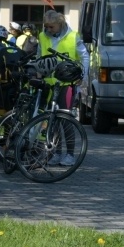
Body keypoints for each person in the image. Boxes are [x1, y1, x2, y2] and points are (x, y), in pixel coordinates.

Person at [38, 10, 90, 166]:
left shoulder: (74, 37)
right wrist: (39, 71)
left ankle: (69, 154)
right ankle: (56, 152)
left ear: (60, 24)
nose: (48, 29)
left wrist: (83, 76)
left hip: (67, 85)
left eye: (51, 27)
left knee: (65, 119)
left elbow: (84, 56)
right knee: (51, 120)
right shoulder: (42, 36)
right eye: (46, 26)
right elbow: (39, 56)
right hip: (50, 84)